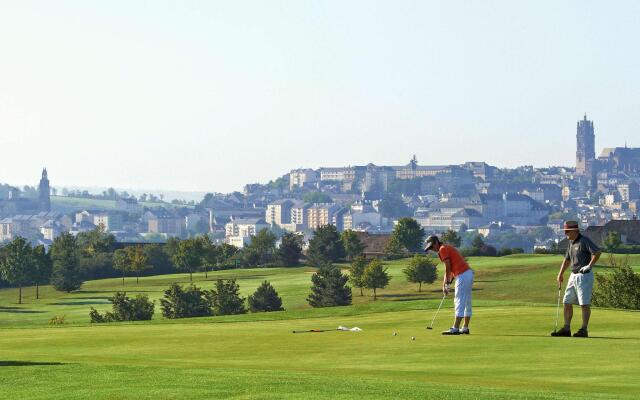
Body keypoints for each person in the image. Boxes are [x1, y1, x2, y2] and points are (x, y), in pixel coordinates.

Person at [551, 220, 601, 338]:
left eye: (567, 231)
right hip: (573, 276)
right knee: (566, 302)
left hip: (584, 276)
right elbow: (567, 259)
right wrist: (560, 273)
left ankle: (584, 329)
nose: (566, 234)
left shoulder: (584, 241)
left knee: (584, 304)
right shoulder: (571, 243)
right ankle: (566, 328)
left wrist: (589, 265)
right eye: (565, 231)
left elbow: (597, 252)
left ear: (575, 231)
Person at [424, 235, 474, 335]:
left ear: (436, 242)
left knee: (459, 300)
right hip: (467, 273)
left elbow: (448, 267)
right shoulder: (445, 248)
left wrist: (447, 284)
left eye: (431, 246)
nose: (432, 249)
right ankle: (465, 327)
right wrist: (444, 284)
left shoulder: (442, 249)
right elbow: (449, 269)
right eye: (429, 248)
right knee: (466, 301)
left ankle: (455, 328)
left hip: (463, 275)